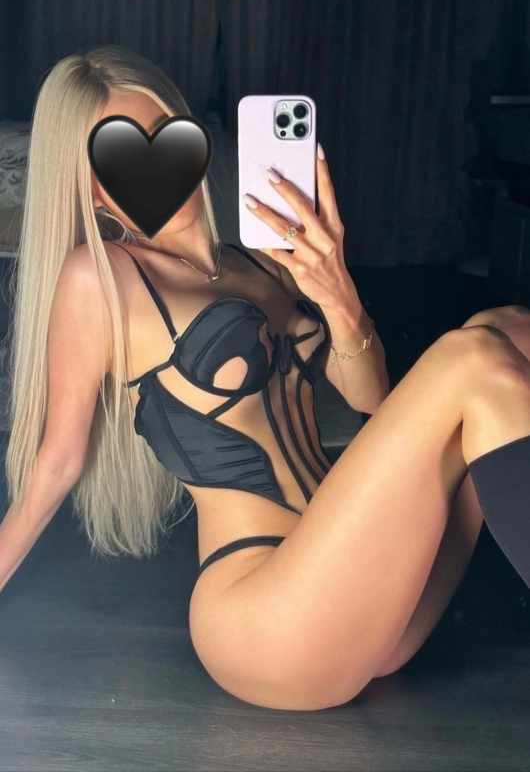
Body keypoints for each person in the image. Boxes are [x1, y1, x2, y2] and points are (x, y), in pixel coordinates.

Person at [0, 44, 529, 713]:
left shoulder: (262, 260)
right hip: (266, 621)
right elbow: (57, 463)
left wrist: (339, 296)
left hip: (367, 592)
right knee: (472, 357)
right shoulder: (102, 278)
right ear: (94, 189)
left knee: (509, 328)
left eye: (166, 136)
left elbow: (373, 403)